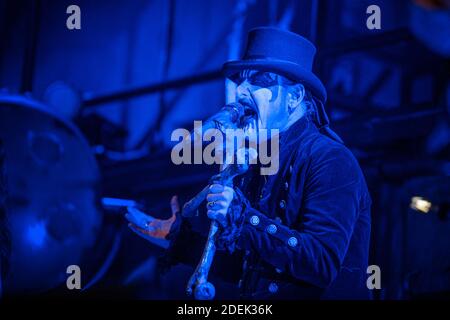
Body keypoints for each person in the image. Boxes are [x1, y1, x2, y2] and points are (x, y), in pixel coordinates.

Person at [126, 27, 372, 299]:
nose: (241, 90)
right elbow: (249, 267)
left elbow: (322, 265)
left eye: (260, 80)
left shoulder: (330, 159)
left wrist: (244, 219)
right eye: (241, 81)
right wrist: (179, 239)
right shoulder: (255, 162)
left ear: (294, 97)